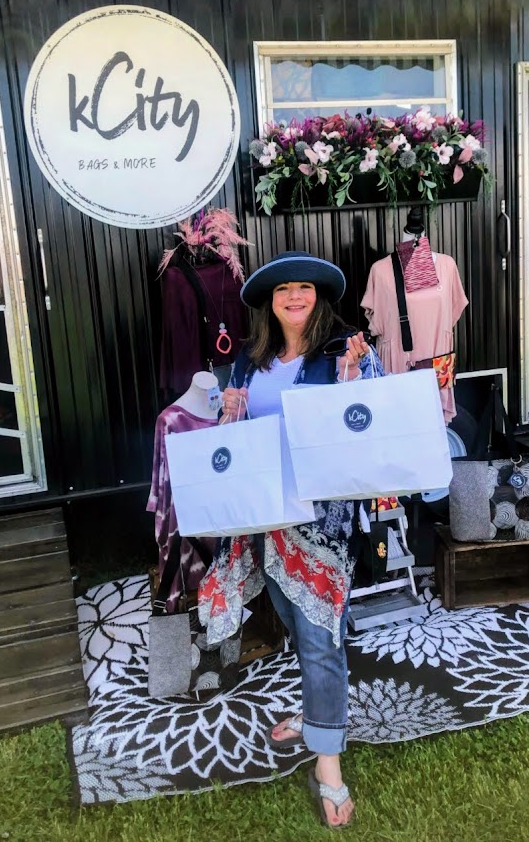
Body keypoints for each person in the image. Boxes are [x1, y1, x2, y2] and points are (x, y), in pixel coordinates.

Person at [198, 250, 384, 830]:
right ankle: (315, 714)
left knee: (320, 639)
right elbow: (234, 443)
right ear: (270, 303)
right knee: (295, 625)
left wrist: (356, 377)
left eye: (304, 287)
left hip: (321, 527)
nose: (295, 297)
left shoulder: (344, 351)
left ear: (318, 297)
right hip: (265, 522)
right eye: (283, 290)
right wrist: (229, 414)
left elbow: (372, 418)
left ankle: (328, 766)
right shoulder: (249, 361)